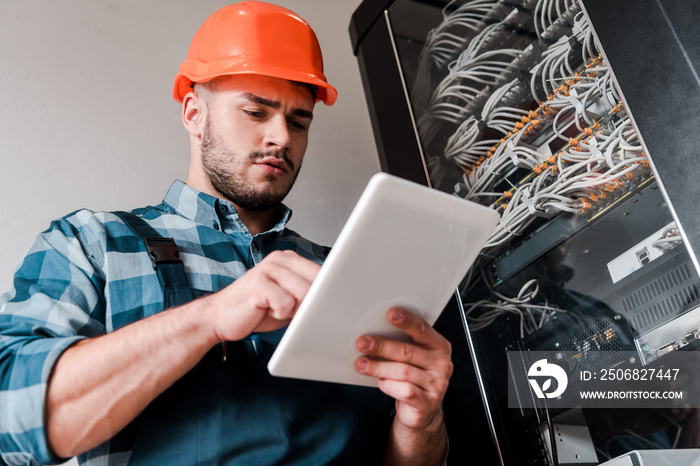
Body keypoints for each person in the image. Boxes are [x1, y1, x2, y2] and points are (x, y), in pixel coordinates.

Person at [0, 2, 452, 465]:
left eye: (298, 122)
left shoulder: (345, 272)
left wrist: (424, 422)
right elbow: (8, 418)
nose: (281, 136)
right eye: (256, 112)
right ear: (195, 114)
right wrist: (209, 318)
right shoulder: (94, 244)